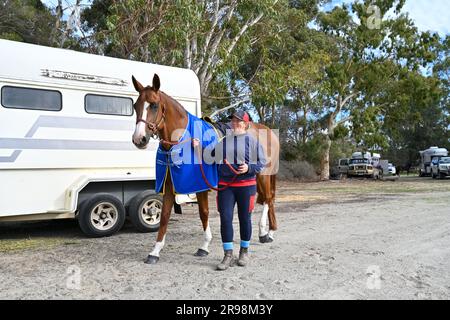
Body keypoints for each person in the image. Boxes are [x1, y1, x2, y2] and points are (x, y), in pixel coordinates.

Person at [194, 110, 267, 270]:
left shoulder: (253, 142)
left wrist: (249, 167)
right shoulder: (224, 141)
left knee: (244, 219)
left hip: (246, 187)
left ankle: (244, 251)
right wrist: (198, 147)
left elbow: (262, 163)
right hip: (226, 187)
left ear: (245, 124)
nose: (234, 124)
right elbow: (209, 157)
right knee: (225, 219)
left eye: (238, 121)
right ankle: (227, 254)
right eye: (233, 121)